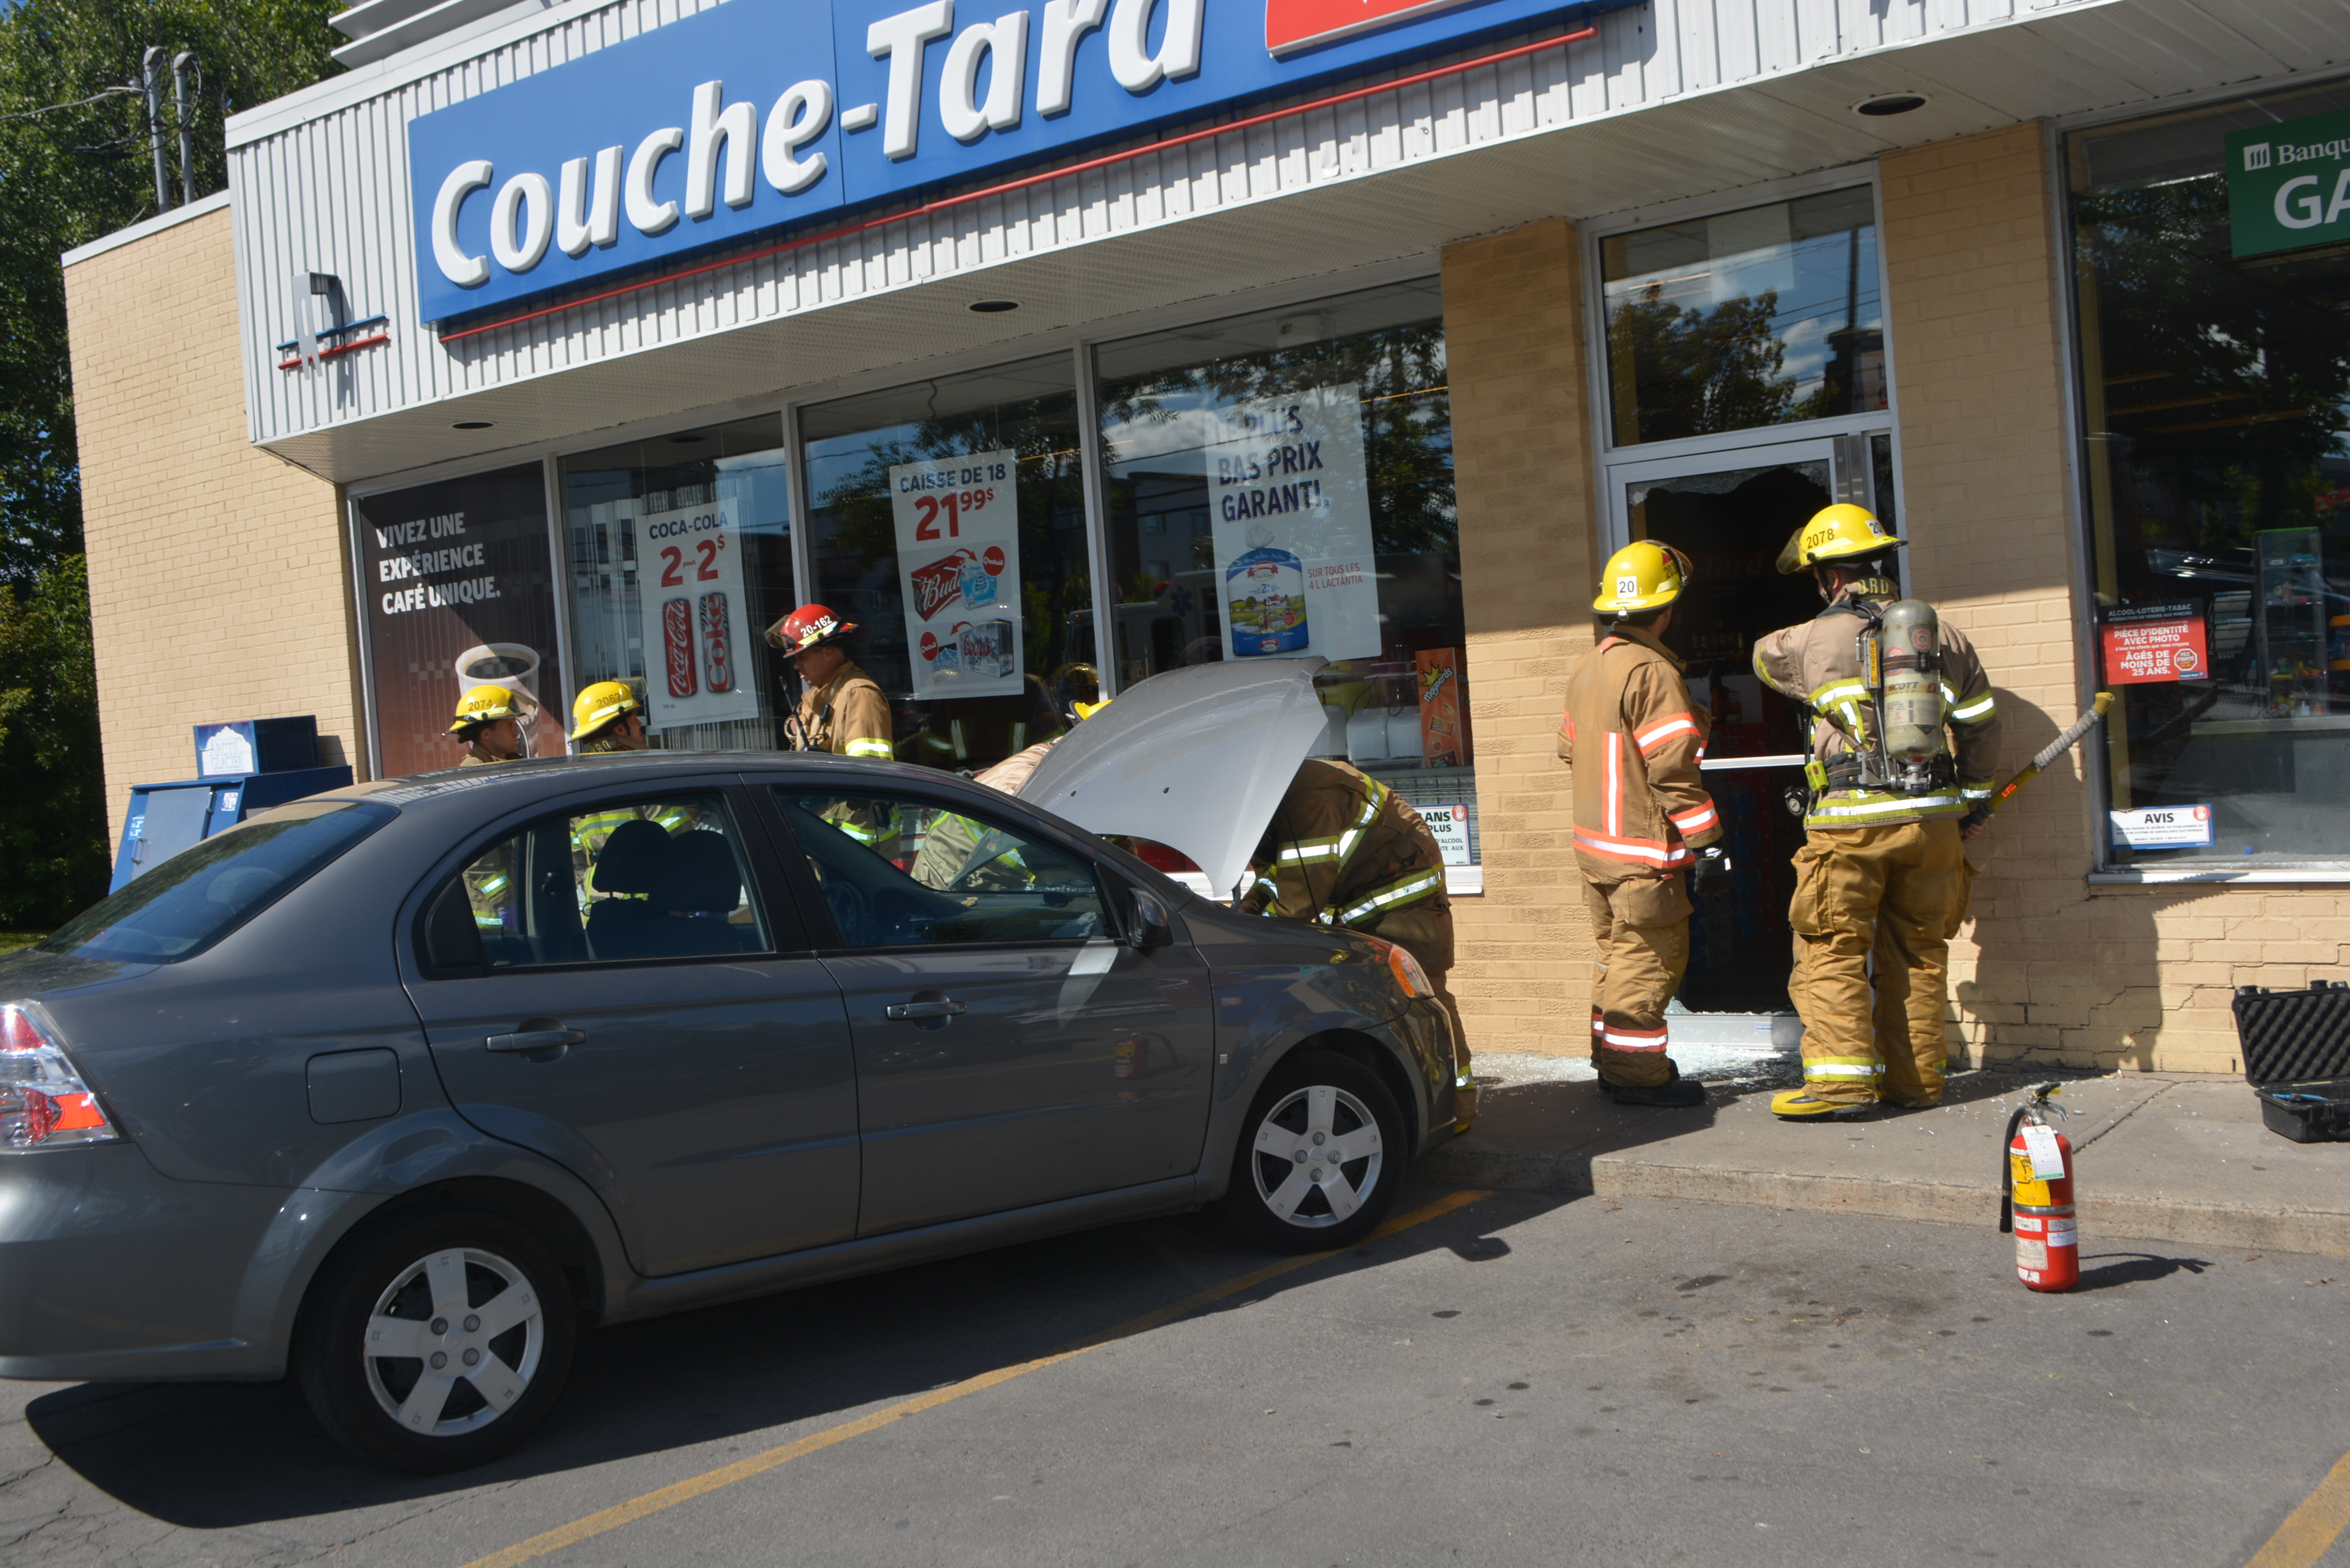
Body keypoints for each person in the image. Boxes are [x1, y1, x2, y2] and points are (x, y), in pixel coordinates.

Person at [1752, 504, 2001, 1121]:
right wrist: (1971, 800)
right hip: (1934, 823)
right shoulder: (1943, 638)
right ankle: (1915, 1085)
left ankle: (1840, 1088)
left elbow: (1762, 657)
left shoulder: (1808, 640)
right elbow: (1981, 728)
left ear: (1828, 578)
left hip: (1851, 826)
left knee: (1831, 948)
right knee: (1918, 952)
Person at [1558, 540, 1724, 1110]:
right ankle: (1635, 1075)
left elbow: (1568, 751)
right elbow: (1673, 772)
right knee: (1648, 960)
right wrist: (1709, 845)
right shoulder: (1652, 671)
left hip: (1595, 853)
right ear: (1668, 607)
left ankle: (1612, 1060)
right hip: (1642, 856)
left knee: (1613, 956)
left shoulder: (1588, 666)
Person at [1239, 754, 1473, 1133]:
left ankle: (1458, 1106)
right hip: (1363, 897)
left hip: (1406, 900)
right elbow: (1277, 874)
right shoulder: (1276, 797)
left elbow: (1300, 902)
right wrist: (1249, 906)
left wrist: (1246, 935)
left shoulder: (1310, 798)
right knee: (1372, 1001)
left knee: (1421, 999)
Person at [769, 603, 897, 857]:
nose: (797, 666)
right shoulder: (822, 693)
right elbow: (800, 728)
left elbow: (870, 773)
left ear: (828, 653)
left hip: (858, 840)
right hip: (828, 835)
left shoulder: (858, 694)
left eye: (802, 657)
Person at [447, 684, 533, 766]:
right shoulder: (474, 771)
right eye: (509, 726)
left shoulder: (515, 762)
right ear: (486, 734)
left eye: (515, 725)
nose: (517, 732)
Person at [569, 680, 648, 753]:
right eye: (635, 718)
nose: (640, 724)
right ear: (620, 729)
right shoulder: (633, 763)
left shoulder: (593, 762)